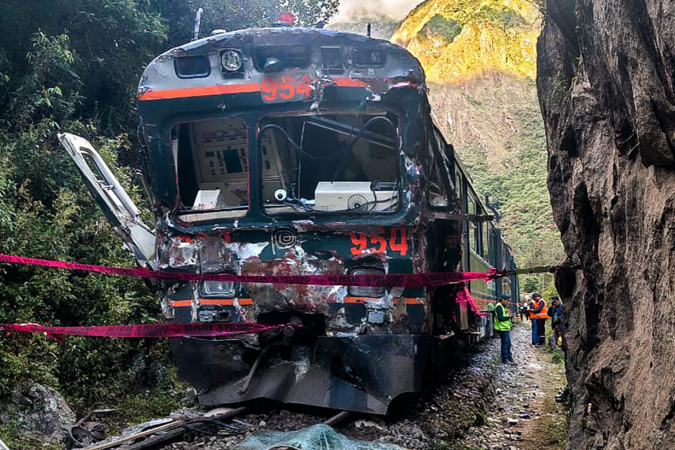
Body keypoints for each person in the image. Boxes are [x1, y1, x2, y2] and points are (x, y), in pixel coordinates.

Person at [494, 294, 514, 363]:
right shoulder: (499, 307)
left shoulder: (503, 306)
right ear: (502, 300)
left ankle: (509, 356)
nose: (508, 302)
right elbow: (500, 318)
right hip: (502, 328)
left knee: (508, 344)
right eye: (507, 301)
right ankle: (505, 358)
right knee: (505, 344)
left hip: (505, 328)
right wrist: (509, 317)